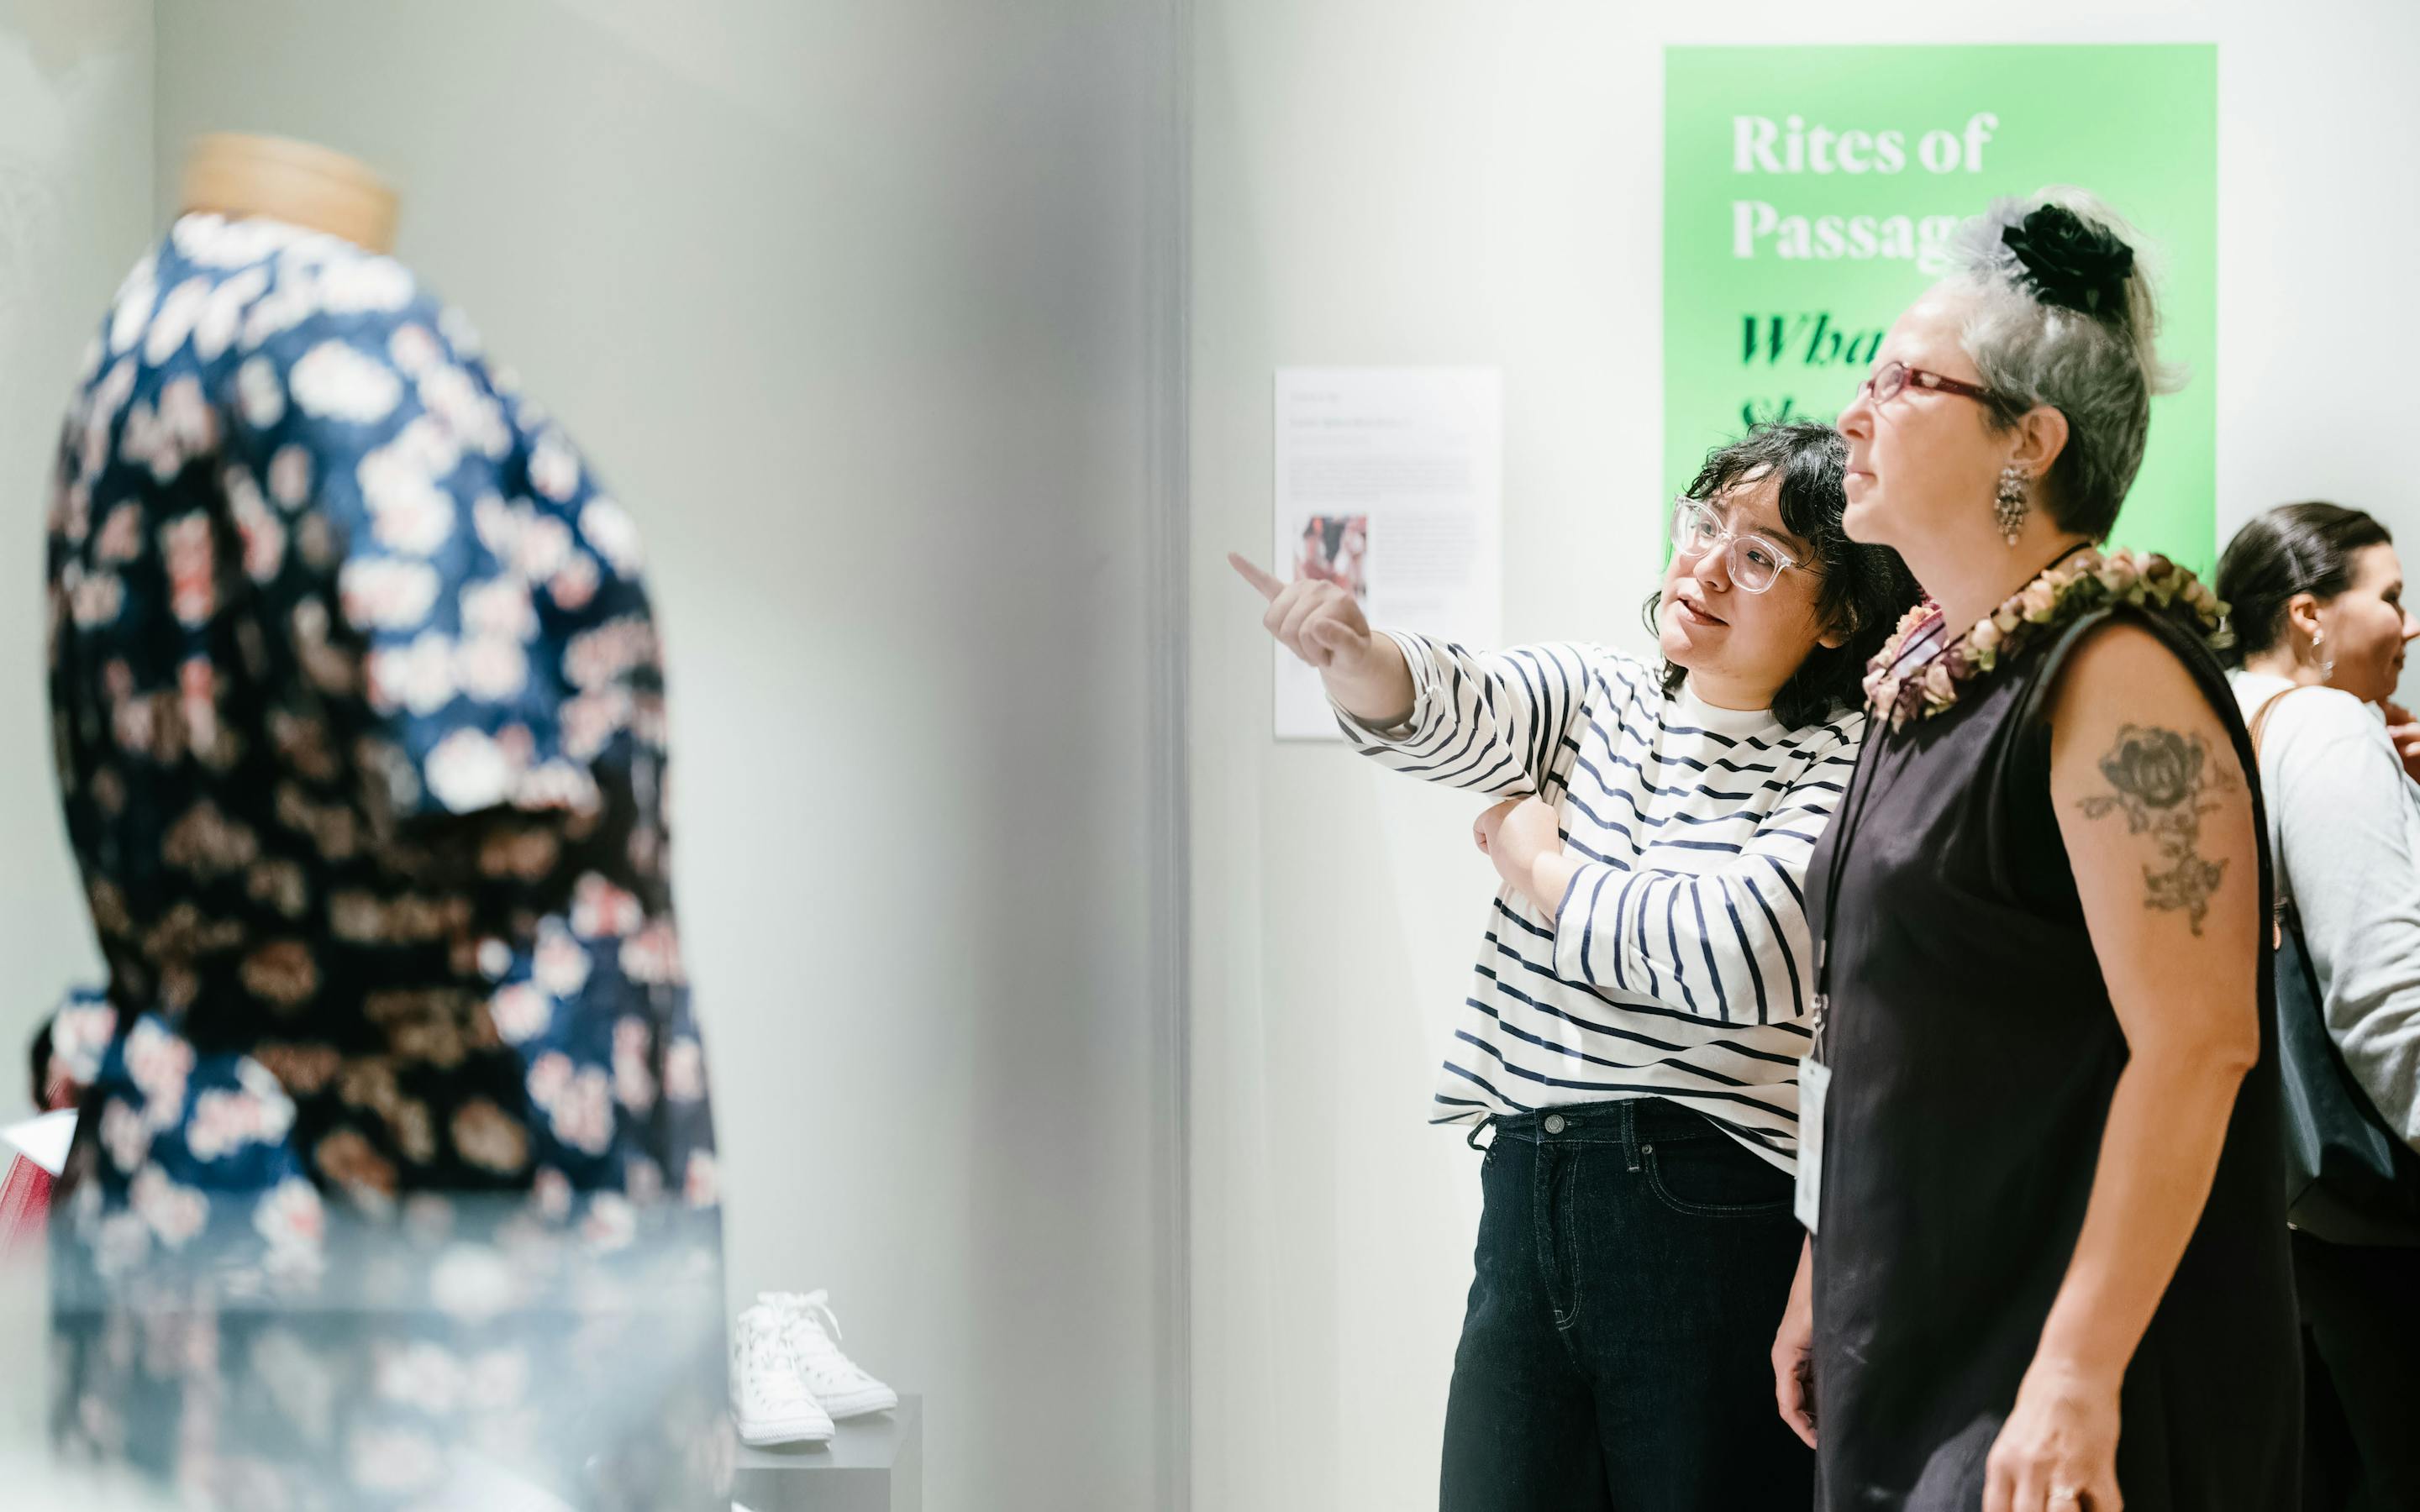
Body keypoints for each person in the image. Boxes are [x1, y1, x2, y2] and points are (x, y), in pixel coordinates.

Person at [1235, 420, 1919, 1509]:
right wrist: (1358, 658)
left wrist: (1539, 863)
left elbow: (1731, 954)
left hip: (1712, 1205)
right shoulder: (1595, 697)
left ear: (1838, 612)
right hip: (1525, 1189)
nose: (1704, 564)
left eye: (1758, 555)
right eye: (1704, 523)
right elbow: (1449, 705)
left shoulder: (1850, 762)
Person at [1774, 186, 2300, 1512]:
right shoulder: (1933, 678)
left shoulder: (2112, 670)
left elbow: (2202, 1044)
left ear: (2031, 439)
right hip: (1917, 1323)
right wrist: (1819, 1270)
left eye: (1900, 379)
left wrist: (2077, 1373)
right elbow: (1869, 1024)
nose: (1854, 415)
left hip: (2057, 1362)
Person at [2218, 501, 2420, 1510]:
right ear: (2308, 616)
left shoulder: (2218, 716)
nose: (2408, 623)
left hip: (2271, 1196)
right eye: (2390, 596)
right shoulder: (2327, 727)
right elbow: (2386, 993)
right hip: (2372, 1211)